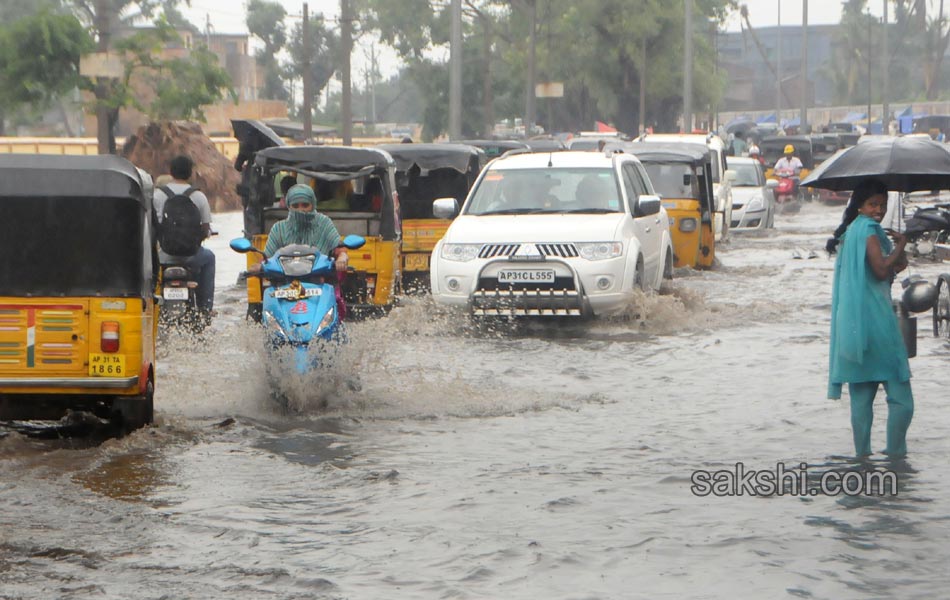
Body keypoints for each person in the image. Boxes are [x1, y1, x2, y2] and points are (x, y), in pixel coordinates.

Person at [825, 179, 913, 458]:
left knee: (861, 401)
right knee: (902, 400)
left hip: (853, 327)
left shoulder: (850, 232)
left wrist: (897, 253)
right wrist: (903, 243)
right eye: (873, 203)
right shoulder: (869, 230)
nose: (878, 210)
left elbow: (887, 269)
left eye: (883, 205)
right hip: (878, 323)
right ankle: (896, 458)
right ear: (860, 205)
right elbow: (879, 270)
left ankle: (862, 461)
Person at [154, 155, 216, 317]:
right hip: (192, 256)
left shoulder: (158, 195)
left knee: (151, 268)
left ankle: (150, 305)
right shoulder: (198, 196)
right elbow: (205, 227)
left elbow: (151, 226)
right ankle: (206, 308)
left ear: (171, 172)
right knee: (209, 258)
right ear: (190, 173)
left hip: (164, 257)